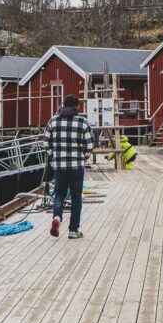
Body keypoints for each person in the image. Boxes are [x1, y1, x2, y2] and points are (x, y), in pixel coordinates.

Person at [43, 94, 93, 239]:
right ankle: (73, 230)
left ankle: (57, 217)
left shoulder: (53, 121)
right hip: (77, 165)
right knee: (76, 197)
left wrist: (54, 156)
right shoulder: (83, 122)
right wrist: (84, 157)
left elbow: (45, 143)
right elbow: (90, 145)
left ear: (63, 105)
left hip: (59, 166)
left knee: (59, 193)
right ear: (77, 106)